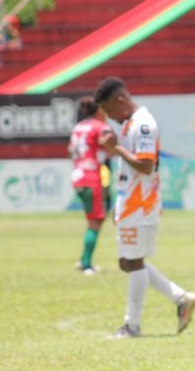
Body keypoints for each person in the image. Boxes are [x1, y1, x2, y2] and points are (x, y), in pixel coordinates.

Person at [95, 77, 195, 338]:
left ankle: (132, 325)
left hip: (140, 205)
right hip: (131, 204)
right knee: (126, 262)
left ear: (121, 101)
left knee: (134, 261)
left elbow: (145, 164)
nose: (110, 118)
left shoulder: (143, 125)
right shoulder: (131, 123)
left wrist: (115, 148)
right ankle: (180, 298)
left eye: (109, 111)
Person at [68, 96, 112, 275]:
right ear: (99, 110)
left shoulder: (78, 128)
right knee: (96, 220)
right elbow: (111, 149)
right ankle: (86, 264)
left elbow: (71, 150)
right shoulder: (101, 127)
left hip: (77, 174)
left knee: (92, 220)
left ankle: (84, 259)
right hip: (92, 177)